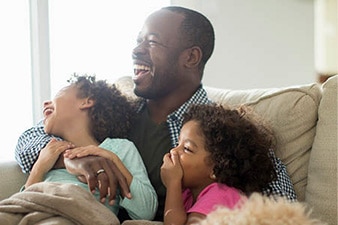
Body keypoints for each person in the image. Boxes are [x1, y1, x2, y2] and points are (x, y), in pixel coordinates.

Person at [15, 6, 296, 222]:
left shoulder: (218, 132)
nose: (136, 50)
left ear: (191, 57)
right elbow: (27, 140)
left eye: (151, 42)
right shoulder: (119, 114)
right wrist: (73, 159)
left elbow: (284, 206)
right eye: (138, 41)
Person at [23, 74, 158, 220]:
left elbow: (146, 212)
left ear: (87, 101)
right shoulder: (49, 151)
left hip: (81, 215)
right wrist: (39, 167)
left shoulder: (119, 148)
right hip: (40, 212)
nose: (45, 103)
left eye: (59, 93)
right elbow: (23, 205)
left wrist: (113, 160)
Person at [160, 104, 277, 225]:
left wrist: (172, 184)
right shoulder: (188, 194)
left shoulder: (221, 195)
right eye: (178, 143)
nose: (173, 151)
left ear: (215, 169)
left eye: (187, 148)